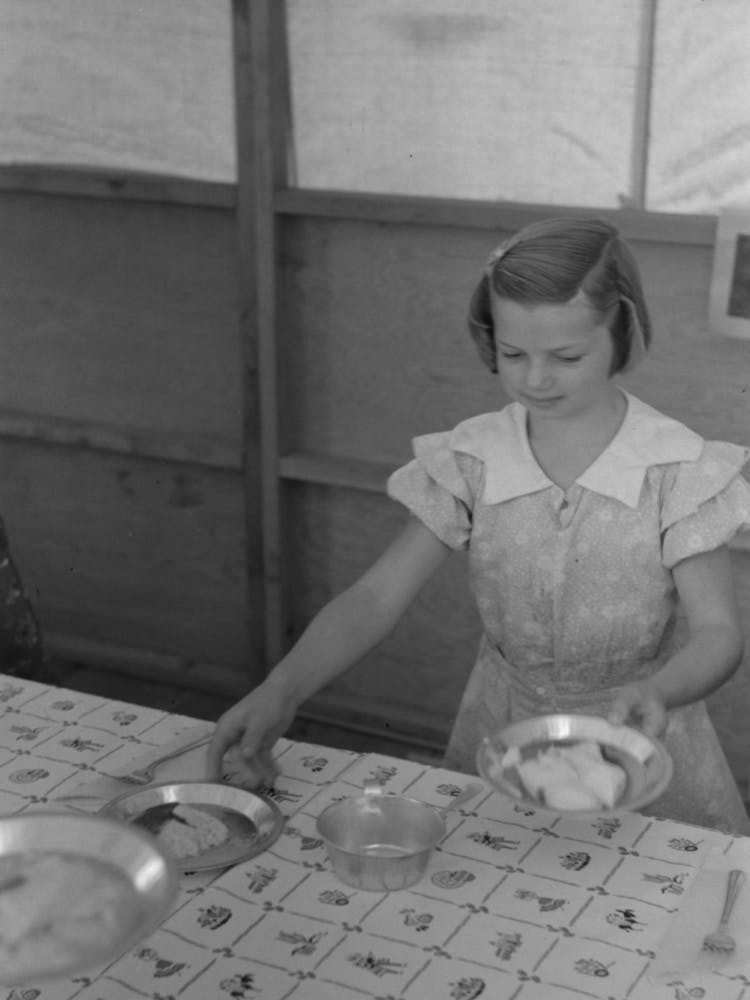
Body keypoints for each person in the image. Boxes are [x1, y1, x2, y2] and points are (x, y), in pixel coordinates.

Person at [207, 216, 750, 833]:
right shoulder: (476, 458)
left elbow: (719, 634)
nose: (535, 379)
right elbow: (376, 597)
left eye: (566, 356)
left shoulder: (678, 467)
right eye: (513, 354)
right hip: (506, 732)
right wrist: (283, 688)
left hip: (644, 741)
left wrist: (662, 691)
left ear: (622, 332)